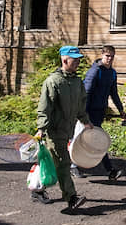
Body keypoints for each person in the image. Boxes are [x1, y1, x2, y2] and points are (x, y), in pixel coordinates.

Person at [33, 45, 93, 213]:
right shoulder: (53, 81)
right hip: (55, 129)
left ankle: (37, 189)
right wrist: (41, 128)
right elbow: (44, 107)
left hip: (68, 129)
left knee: (51, 162)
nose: (78, 62)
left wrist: (86, 121)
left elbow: (81, 105)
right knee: (64, 163)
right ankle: (71, 197)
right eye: (75, 59)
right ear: (64, 59)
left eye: (79, 59)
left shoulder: (76, 81)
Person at [75, 44, 126, 181]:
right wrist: (84, 116)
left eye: (112, 56)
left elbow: (114, 93)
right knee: (90, 140)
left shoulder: (112, 73)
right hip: (88, 112)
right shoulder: (94, 71)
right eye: (107, 56)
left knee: (89, 140)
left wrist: (121, 109)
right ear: (102, 55)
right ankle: (110, 171)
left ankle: (73, 165)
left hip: (99, 111)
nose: (109, 59)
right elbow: (86, 93)